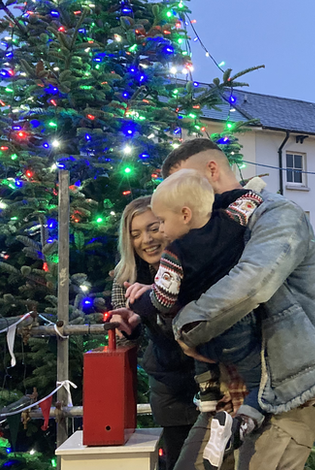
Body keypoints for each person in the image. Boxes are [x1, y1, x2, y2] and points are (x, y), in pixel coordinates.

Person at [112, 137, 315, 470]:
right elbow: (193, 293)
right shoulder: (206, 230)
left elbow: (249, 288)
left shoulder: (275, 214)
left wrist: (183, 326)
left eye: (188, 182)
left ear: (212, 169)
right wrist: (145, 314)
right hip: (225, 396)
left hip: (284, 391)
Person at [125, 168, 267, 444]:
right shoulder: (228, 222)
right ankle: (252, 407)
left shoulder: (175, 254)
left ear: (185, 215)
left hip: (202, 330)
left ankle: (211, 397)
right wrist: (236, 193)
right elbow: (250, 200)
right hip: (238, 319)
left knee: (206, 356)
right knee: (255, 373)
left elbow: (162, 301)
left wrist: (142, 302)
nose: (159, 232)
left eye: (160, 223)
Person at [109, 196, 199, 470]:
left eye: (153, 228)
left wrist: (158, 299)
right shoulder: (126, 276)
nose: (146, 240)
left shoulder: (195, 265)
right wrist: (130, 327)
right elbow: (126, 340)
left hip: (213, 379)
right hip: (169, 386)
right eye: (135, 234)